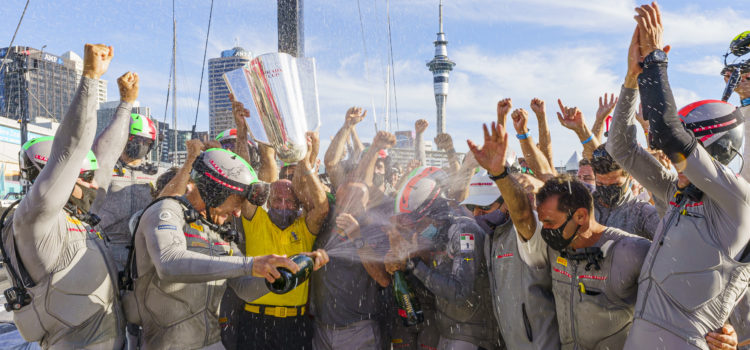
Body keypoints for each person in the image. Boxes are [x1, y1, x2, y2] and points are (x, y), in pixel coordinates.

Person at [606, 4, 750, 348]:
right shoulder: (679, 191)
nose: (673, 162)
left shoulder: (736, 199)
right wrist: (631, 80)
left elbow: (671, 135)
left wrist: (655, 58)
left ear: (711, 152)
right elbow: (621, 148)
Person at [131, 147, 326, 349]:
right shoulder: (167, 211)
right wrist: (250, 264)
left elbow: (244, 288)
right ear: (216, 191)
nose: (238, 213)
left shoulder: (217, 230)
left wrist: (281, 273)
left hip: (214, 343)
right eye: (237, 203)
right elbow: (169, 263)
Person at [0, 44, 126, 349]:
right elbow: (70, 149)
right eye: (83, 178)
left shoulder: (75, 217)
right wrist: (90, 79)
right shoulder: (35, 219)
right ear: (60, 177)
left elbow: (106, 159)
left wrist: (125, 105)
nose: (93, 187)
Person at [386, 166, 497, 350]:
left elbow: (459, 292)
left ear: (436, 214)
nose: (417, 230)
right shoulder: (439, 232)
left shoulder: (463, 232)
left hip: (471, 336)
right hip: (448, 331)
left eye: (419, 223)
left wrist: (412, 263)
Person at [237, 130, 330, 349]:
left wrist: (307, 162)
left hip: (294, 323)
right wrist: (246, 132)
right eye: (277, 200)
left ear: (298, 206)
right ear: (268, 201)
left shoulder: (304, 226)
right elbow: (249, 176)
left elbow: (322, 208)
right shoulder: (256, 219)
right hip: (255, 321)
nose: (283, 205)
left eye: (290, 201)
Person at [463, 172, 560, 350]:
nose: (477, 213)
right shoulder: (490, 236)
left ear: (507, 202)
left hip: (541, 345)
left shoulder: (526, 230)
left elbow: (523, 216)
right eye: (472, 207)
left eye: (484, 206)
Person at [90, 72, 158, 272]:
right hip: (108, 247)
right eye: (136, 139)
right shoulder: (105, 168)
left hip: (144, 250)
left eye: (146, 142)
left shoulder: (155, 174)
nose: (140, 145)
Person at [310, 182, 391, 350]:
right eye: (340, 202)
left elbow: (383, 279)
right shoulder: (325, 223)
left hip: (357, 330)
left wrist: (357, 236)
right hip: (322, 328)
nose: (344, 208)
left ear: (366, 204)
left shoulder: (376, 231)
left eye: (351, 203)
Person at [590, 144, 659, 240]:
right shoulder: (584, 207)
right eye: (600, 184)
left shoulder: (643, 214)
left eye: (615, 185)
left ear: (630, 176)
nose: (607, 190)